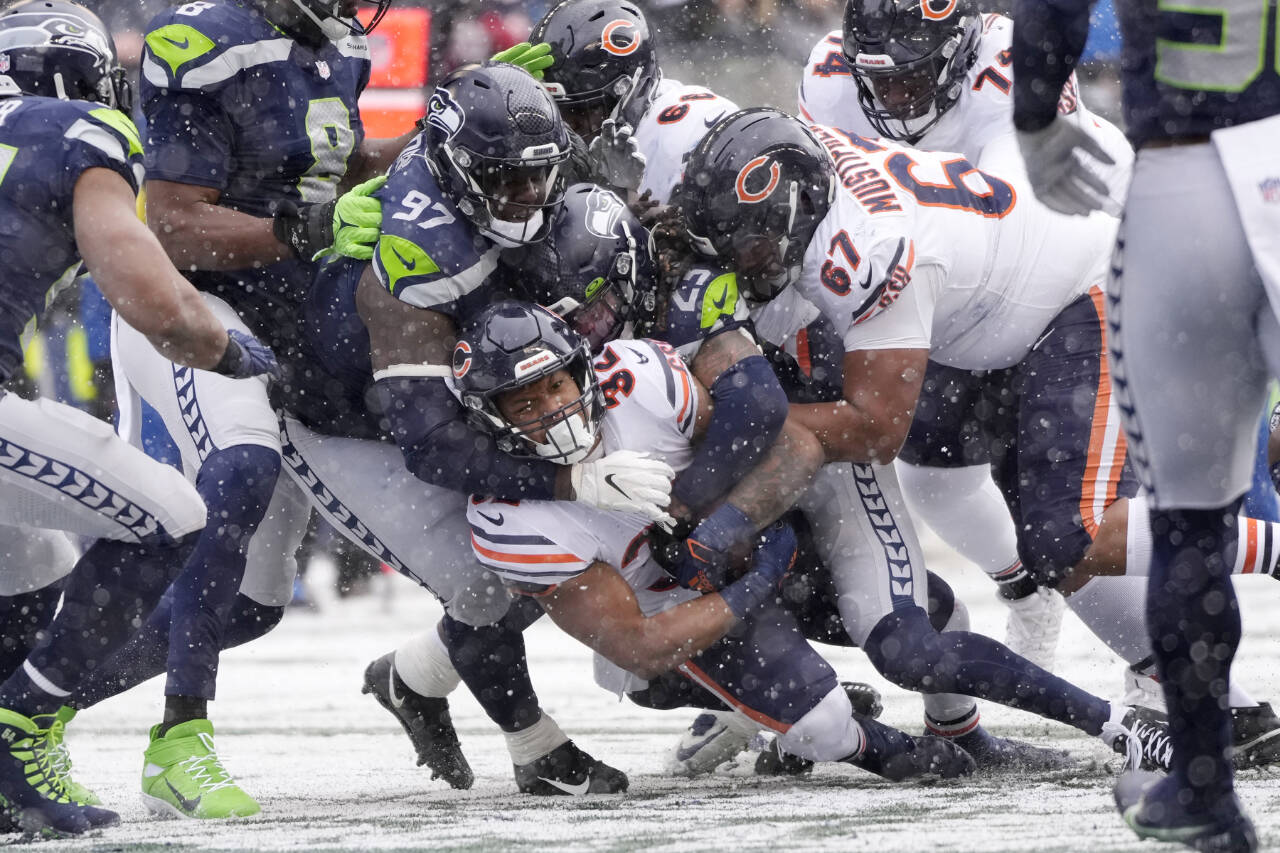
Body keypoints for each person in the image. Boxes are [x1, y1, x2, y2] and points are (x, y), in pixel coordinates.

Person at [458, 299, 979, 783]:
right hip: (686, 613)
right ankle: (871, 745)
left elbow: (768, 446)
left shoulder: (637, 377)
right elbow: (640, 646)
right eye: (525, 404)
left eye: (555, 387)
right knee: (821, 724)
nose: (553, 410)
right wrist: (756, 583)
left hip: (746, 543)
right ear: (489, 418)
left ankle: (961, 725)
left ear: (581, 371)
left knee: (931, 612)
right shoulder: (509, 518)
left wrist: (731, 529)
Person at [103, 0, 409, 818]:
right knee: (241, 466)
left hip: (286, 312)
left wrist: (443, 140)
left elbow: (329, 179)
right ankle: (179, 741)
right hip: (190, 306)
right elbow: (173, 225)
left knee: (249, 606)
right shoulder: (204, 42)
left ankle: (29, 693)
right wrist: (308, 229)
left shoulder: (335, 47)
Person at [0, 0, 277, 835]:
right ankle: (22, 723)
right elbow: (154, 300)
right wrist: (230, 352)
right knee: (175, 517)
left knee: (30, 557)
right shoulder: (76, 130)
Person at [1012, 1, 1280, 849]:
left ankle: (1204, 783)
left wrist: (1035, 114)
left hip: (1181, 183)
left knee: (1188, 517)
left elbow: (1049, 7)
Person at [796, 0, 1132, 674]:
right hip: (951, 288)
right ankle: (1024, 588)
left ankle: (1184, 666)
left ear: (961, 47)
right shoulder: (831, 73)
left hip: (1072, 262)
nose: (893, 94)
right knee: (935, 477)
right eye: (880, 80)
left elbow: (1009, 226)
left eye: (911, 78)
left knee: (1070, 521)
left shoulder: (1013, 62)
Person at [531, 0, 739, 202]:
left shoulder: (688, 128)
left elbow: (705, 231)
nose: (568, 128)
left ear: (631, 88)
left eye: (579, 110)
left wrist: (624, 198)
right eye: (555, 110)